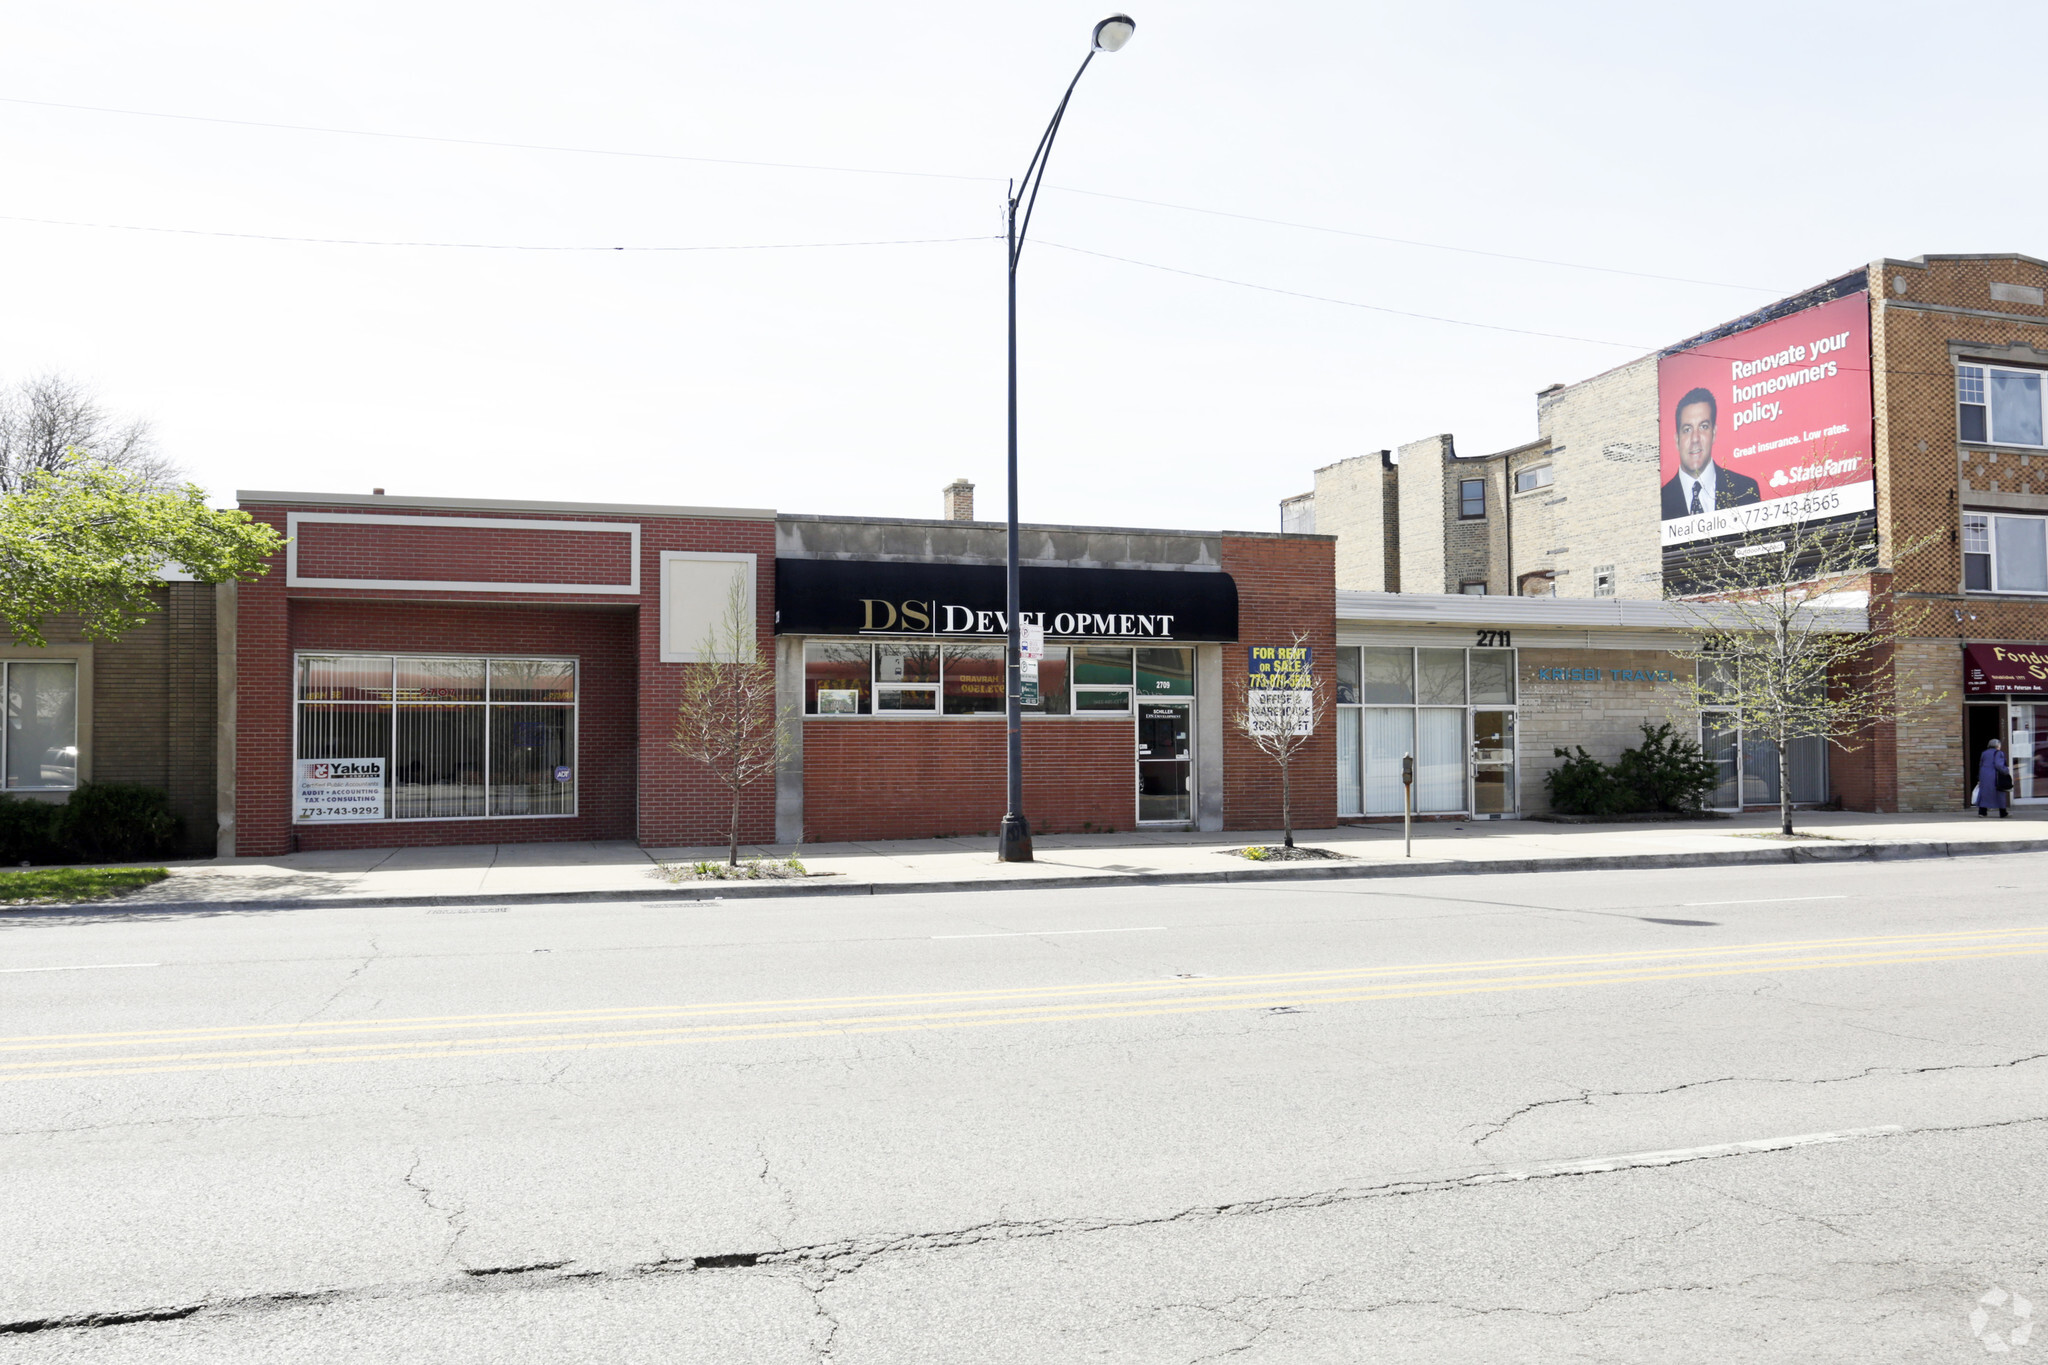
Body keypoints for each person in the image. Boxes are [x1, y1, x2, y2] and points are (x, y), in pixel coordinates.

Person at [1660, 387, 1763, 519]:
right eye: (1687, 429)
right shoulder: (1660, 501)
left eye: (1703, 427)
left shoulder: (1745, 489)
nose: (1695, 438)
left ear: (1713, 434)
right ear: (1676, 440)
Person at [1977, 737, 2010, 818]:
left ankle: (1982, 812)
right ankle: (2003, 812)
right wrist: (2006, 770)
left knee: (1984, 793)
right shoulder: (1999, 753)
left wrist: (1979, 776)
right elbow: (1999, 765)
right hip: (1995, 776)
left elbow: (1981, 764)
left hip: (1984, 775)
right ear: (1997, 745)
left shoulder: (1984, 753)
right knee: (1999, 793)